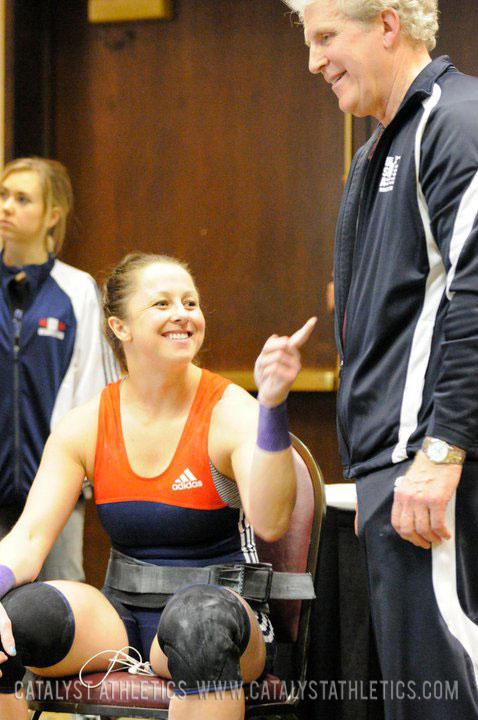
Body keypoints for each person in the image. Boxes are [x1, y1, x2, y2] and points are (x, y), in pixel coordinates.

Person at [0, 251, 317, 720]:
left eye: (190, 302)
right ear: (119, 327)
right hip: (119, 619)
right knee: (16, 621)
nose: (182, 315)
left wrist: (270, 408)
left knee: (197, 623)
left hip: (222, 622)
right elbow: (27, 540)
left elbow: (271, 521)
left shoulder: (231, 412)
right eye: (162, 304)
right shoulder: (85, 424)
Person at [283, 1, 478, 718]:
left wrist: (441, 452)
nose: (314, 61)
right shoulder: (376, 150)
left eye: (327, 37)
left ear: (388, 25)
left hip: (439, 482)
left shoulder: (454, 123)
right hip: (395, 480)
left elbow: (476, 299)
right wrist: (374, 475)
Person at [0, 157, 118, 583]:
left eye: (21, 198)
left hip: (55, 491)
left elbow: (99, 391)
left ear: (52, 216)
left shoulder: (78, 290)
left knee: (57, 611)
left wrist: (83, 481)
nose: (6, 207)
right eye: (3, 195)